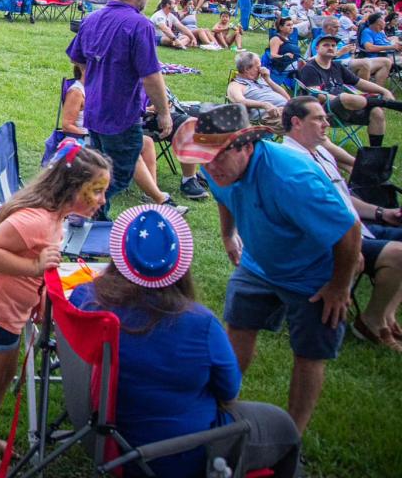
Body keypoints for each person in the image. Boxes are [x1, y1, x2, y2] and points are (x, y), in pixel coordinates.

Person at [71, 205, 301, 478]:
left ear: (119, 257)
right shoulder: (200, 324)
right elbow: (229, 392)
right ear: (180, 262)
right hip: (183, 454)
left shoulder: (87, 301)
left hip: (109, 441)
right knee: (285, 428)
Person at [173, 104, 361, 434]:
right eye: (205, 156)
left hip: (312, 272)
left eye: (218, 156)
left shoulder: (291, 178)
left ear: (246, 146)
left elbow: (349, 230)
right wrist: (228, 233)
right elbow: (222, 194)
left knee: (308, 353)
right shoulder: (216, 168)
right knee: (239, 326)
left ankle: (292, 435)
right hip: (258, 262)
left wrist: (339, 286)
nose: (210, 166)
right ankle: (221, 407)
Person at [0, 142, 111, 477]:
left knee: (4, 376)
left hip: (6, 310)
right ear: (73, 188)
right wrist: (36, 267)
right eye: (96, 191)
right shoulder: (36, 219)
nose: (102, 200)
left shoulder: (56, 217)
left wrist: (38, 295)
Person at [280, 96, 402, 351]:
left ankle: (386, 315)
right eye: (319, 119)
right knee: (399, 255)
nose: (327, 123)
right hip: (332, 238)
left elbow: (344, 198)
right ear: (296, 122)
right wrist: (348, 245)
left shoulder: (321, 152)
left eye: (326, 118)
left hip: (357, 226)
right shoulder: (290, 161)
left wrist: (381, 213)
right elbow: (306, 217)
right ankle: (369, 321)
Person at [66, 0, 176, 218]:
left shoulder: (92, 18)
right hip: (121, 114)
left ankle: (90, 219)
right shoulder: (140, 25)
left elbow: (79, 60)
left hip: (95, 110)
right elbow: (151, 76)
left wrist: (98, 78)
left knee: (101, 170)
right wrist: (164, 113)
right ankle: (79, 209)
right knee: (120, 173)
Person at [58, 66, 188, 211]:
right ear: (82, 69)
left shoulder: (97, 89)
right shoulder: (76, 92)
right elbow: (67, 125)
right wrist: (89, 130)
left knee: (147, 142)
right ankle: (159, 199)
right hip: (84, 138)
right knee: (132, 153)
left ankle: (151, 191)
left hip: (104, 132)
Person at [297, 32, 400, 147]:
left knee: (376, 112)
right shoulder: (310, 68)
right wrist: (344, 99)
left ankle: (374, 153)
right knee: (344, 97)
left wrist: (384, 91)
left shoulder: (337, 66)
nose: (330, 48)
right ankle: (386, 103)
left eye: (333, 45)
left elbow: (359, 82)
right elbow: (317, 95)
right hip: (324, 111)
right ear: (317, 48)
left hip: (346, 108)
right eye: (326, 45)